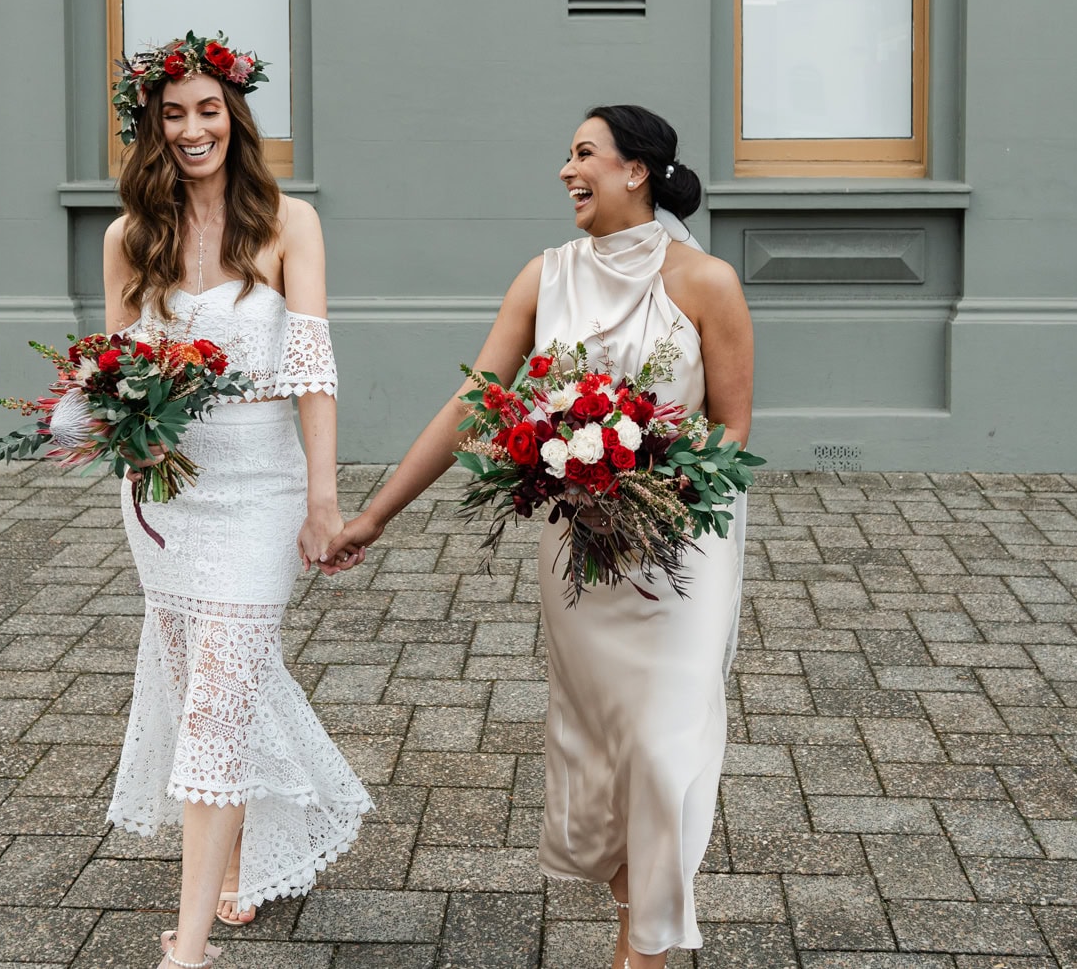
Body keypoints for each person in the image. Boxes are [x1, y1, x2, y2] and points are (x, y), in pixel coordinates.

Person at [322, 105, 754, 966]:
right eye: (568, 155)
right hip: (580, 550)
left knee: (666, 742)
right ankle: (634, 908)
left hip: (678, 550)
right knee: (607, 740)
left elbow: (733, 428)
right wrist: (374, 513)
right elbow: (474, 404)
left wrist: (656, 489)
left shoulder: (709, 282)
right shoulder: (543, 276)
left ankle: (648, 948)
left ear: (637, 171)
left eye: (584, 153)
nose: (567, 170)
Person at [98, 33, 371, 969]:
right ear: (151, 126)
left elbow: (314, 372)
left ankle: (191, 950)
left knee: (218, 703)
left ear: (235, 115)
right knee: (199, 687)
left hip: (261, 493)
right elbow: (115, 374)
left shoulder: (290, 223)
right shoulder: (129, 237)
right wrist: (117, 424)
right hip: (166, 501)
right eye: (172, 113)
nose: (191, 128)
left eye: (207, 109)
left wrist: (323, 500)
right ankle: (236, 847)